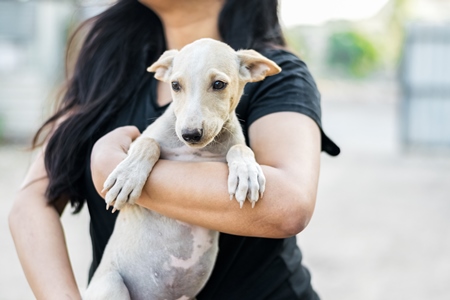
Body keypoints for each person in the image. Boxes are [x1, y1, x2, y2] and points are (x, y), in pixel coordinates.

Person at [9, 0, 340, 299]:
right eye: (178, 87)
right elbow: (32, 201)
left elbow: (289, 205)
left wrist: (113, 170)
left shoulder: (277, 74)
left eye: (218, 85)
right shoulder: (108, 68)